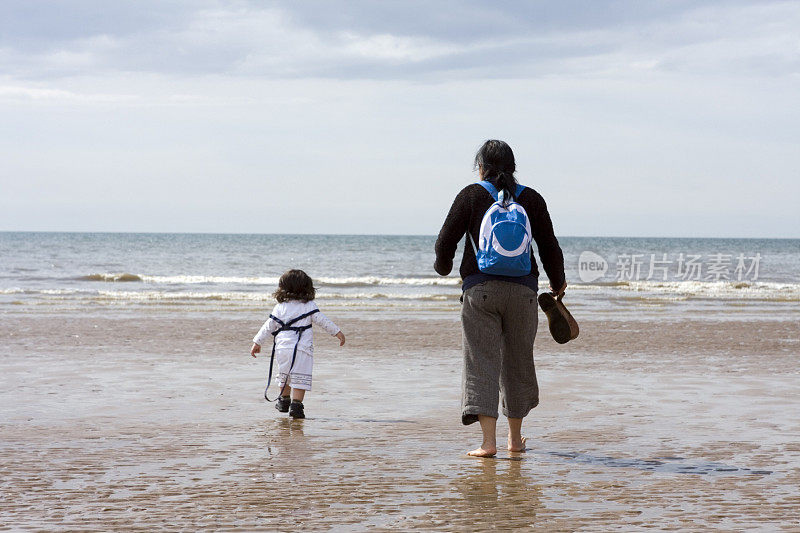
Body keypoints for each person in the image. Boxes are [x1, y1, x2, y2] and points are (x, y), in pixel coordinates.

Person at [434, 140, 567, 457]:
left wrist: (444, 267)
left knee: (482, 362)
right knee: (518, 362)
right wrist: (558, 282)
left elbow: (444, 242)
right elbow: (549, 245)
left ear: (481, 167)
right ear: (513, 167)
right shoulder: (531, 199)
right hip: (523, 292)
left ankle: (488, 443)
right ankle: (515, 440)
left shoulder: (470, 195)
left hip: (480, 290)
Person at [250, 269, 345, 419]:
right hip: (302, 349)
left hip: (282, 348)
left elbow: (268, 326)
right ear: (306, 287)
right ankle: (296, 406)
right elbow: (323, 321)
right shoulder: (309, 305)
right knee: (300, 377)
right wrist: (337, 332)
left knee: (284, 374)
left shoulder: (280, 307)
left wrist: (257, 342)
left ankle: (283, 400)